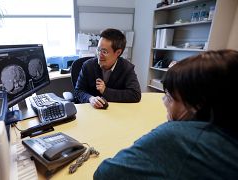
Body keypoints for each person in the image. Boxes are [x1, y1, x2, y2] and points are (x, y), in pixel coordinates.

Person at [94, 50, 238, 179]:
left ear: (197, 105)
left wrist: (166, 130)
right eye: (99, 49)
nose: (164, 101)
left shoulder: (178, 137)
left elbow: (105, 174)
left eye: (169, 96)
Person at [74, 28, 141, 109]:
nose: (99, 55)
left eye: (104, 52)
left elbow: (135, 94)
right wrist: (90, 99)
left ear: (118, 52)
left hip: (116, 113)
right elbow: (78, 91)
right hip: (90, 112)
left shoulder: (126, 68)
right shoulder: (88, 66)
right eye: (98, 50)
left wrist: (106, 91)